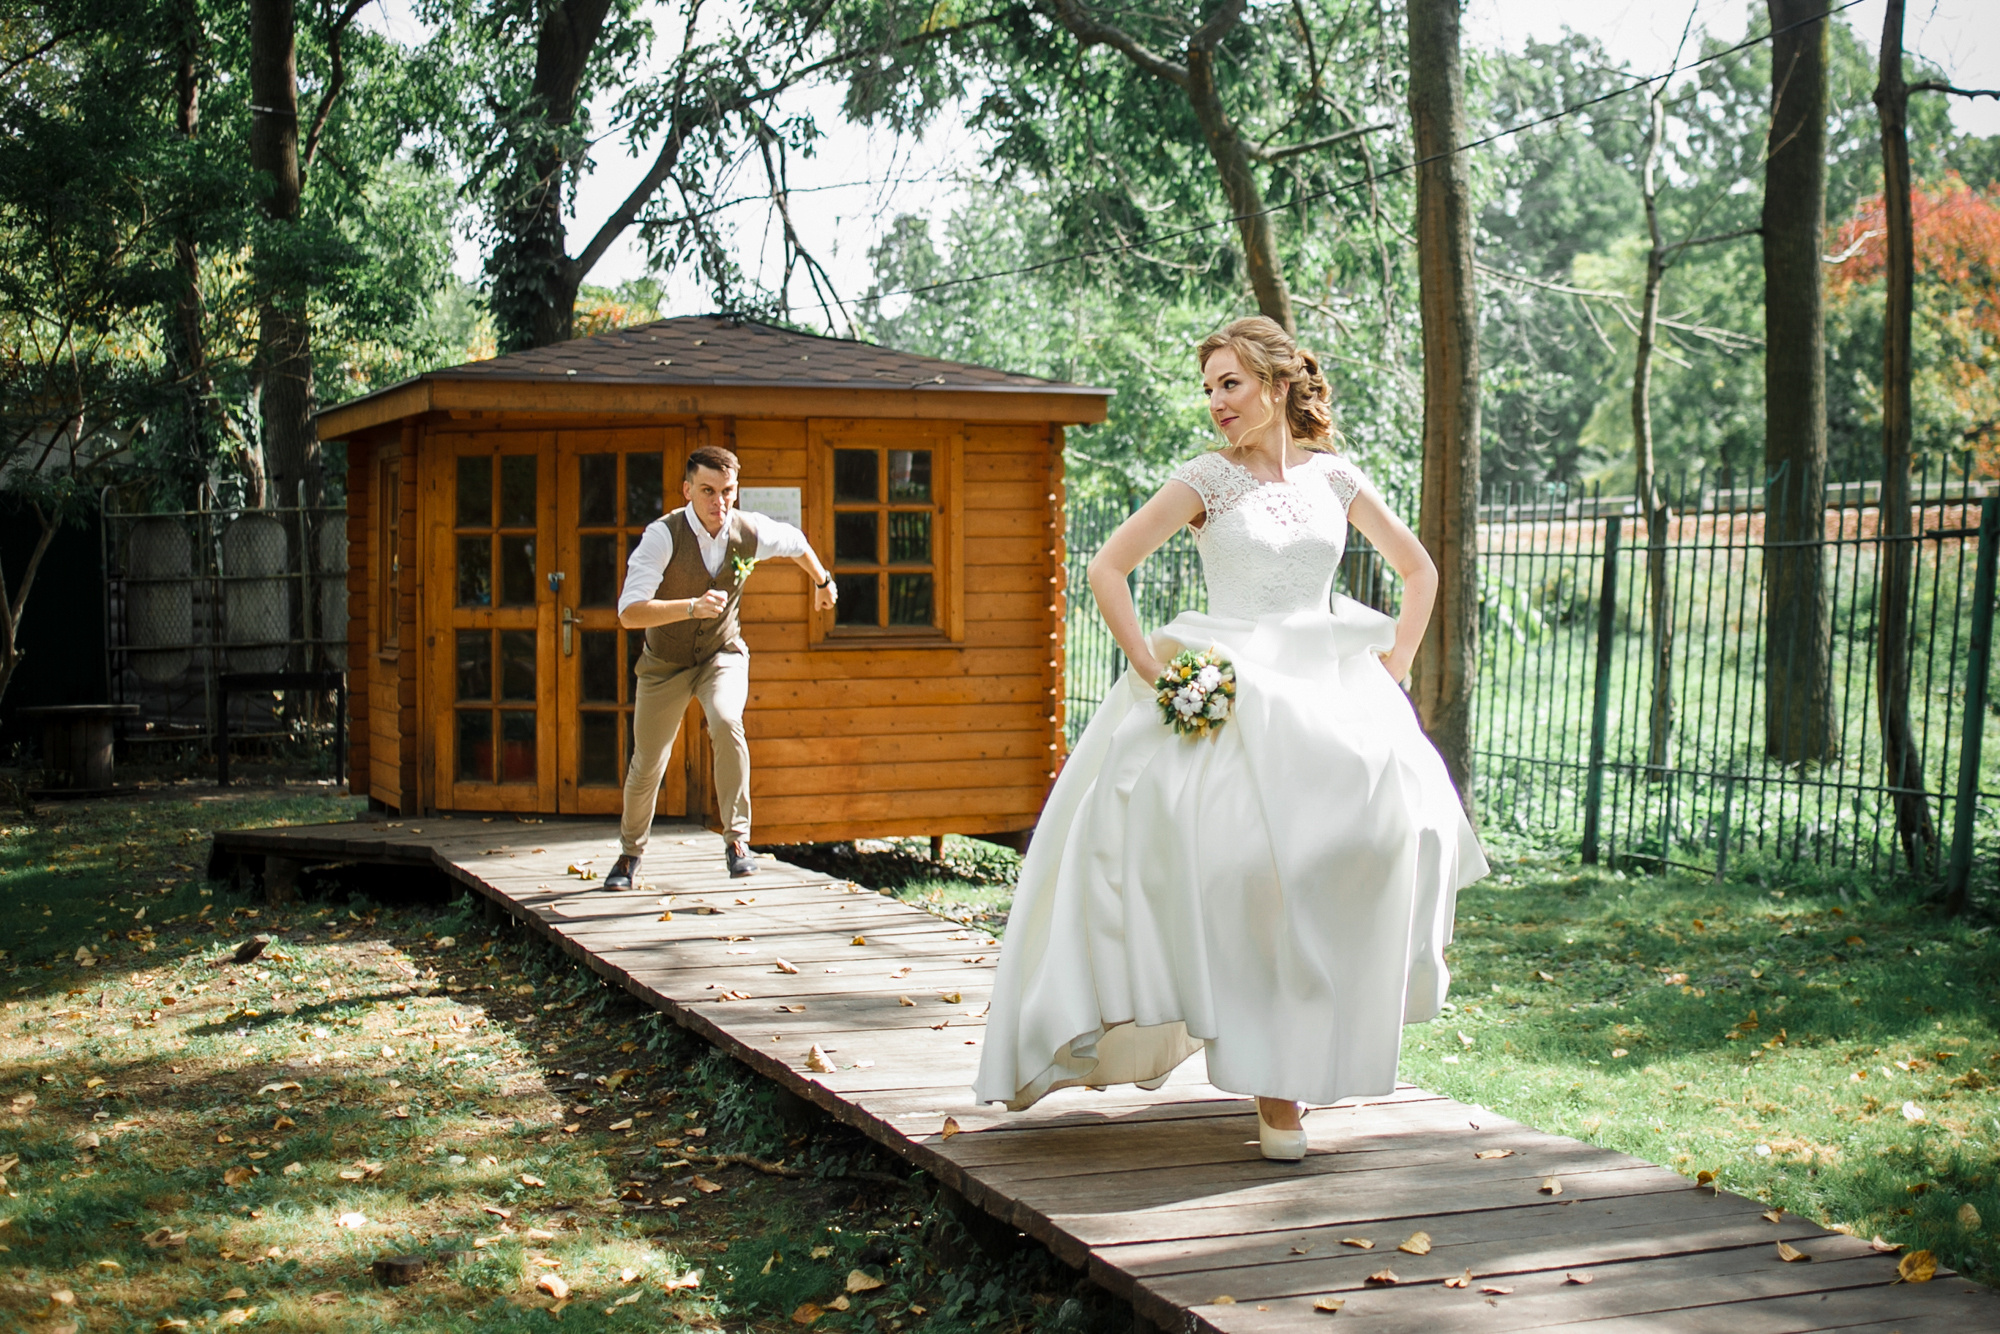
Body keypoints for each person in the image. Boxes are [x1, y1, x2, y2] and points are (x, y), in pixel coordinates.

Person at [973, 317, 1487, 1160]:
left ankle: (1322, 1037)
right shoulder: (1205, 479)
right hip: (1233, 697)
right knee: (1245, 873)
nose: (1215, 402)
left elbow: (1419, 571)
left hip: (1327, 689)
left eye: (1230, 383)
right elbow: (1108, 568)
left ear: (1278, 383)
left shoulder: (1335, 478)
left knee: (1391, 835)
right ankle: (1271, 1082)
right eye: (1209, 387)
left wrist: (1392, 668)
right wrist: (1154, 672)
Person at [603, 445, 836, 887]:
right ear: (687, 489)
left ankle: (737, 842)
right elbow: (628, 612)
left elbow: (798, 543)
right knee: (648, 762)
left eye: (727, 491)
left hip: (722, 655)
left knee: (727, 720)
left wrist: (823, 582)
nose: (719, 502)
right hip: (664, 663)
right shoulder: (662, 535)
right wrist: (690, 607)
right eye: (708, 490)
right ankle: (630, 854)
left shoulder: (750, 530)